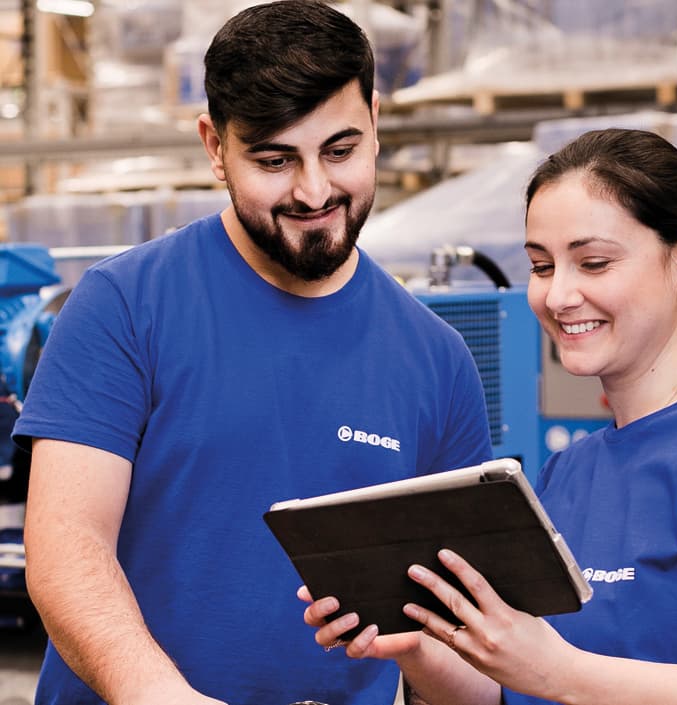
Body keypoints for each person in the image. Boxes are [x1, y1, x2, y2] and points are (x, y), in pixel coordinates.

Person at [15, 2, 493, 704]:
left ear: (375, 122)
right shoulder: (124, 304)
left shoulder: (438, 358)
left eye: (340, 151)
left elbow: (454, 632)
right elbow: (67, 548)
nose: (314, 190)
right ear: (215, 146)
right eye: (275, 160)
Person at [302, 128, 677, 705]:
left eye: (593, 263)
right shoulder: (567, 473)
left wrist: (560, 672)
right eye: (542, 266)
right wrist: (414, 640)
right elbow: (510, 692)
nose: (558, 295)